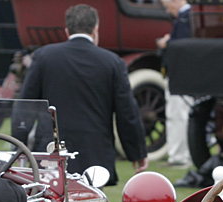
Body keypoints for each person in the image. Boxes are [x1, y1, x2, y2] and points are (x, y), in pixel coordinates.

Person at [17, 4, 148, 182]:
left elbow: (26, 105)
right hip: (95, 153)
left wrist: (17, 146)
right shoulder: (112, 63)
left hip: (51, 150)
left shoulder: (44, 56)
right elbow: (127, 113)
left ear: (66, 31)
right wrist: (137, 152)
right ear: (95, 30)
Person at [157, 0, 192, 168]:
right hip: (182, 75)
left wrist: (167, 43)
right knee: (177, 115)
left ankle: (179, 156)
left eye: (168, 6)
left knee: (178, 115)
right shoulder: (185, 17)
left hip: (180, 75)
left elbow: (184, 46)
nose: (168, 11)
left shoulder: (185, 18)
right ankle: (178, 153)